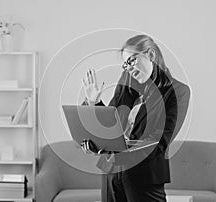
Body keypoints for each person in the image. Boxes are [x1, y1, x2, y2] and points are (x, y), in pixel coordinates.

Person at [81, 34, 190, 202]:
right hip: (112, 172)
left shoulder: (177, 91)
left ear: (151, 55)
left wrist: (115, 153)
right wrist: (94, 102)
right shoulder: (127, 80)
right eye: (125, 64)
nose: (128, 68)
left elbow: (159, 142)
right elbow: (112, 122)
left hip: (145, 177)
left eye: (132, 60)